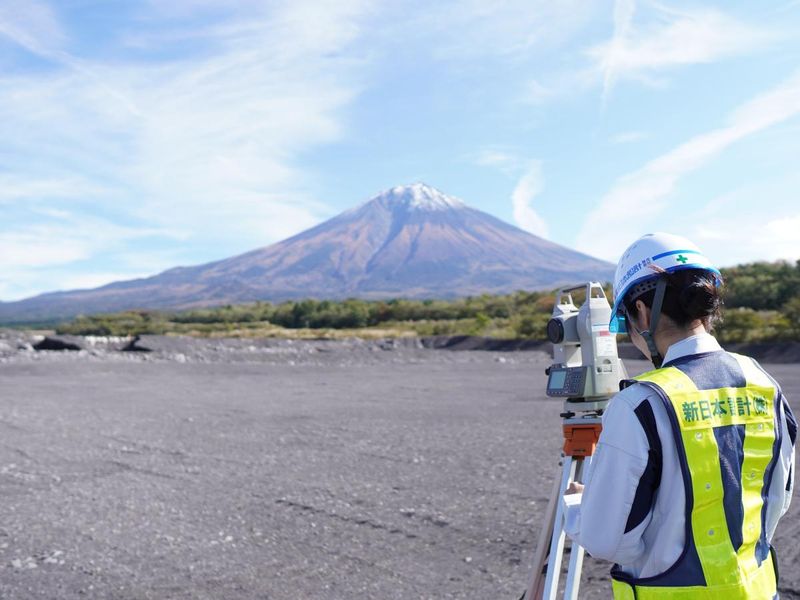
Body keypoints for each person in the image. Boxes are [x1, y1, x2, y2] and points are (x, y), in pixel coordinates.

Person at [563, 232, 796, 599]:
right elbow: (777, 499)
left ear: (641, 312)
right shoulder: (763, 382)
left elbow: (605, 540)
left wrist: (582, 504)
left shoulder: (640, 404)